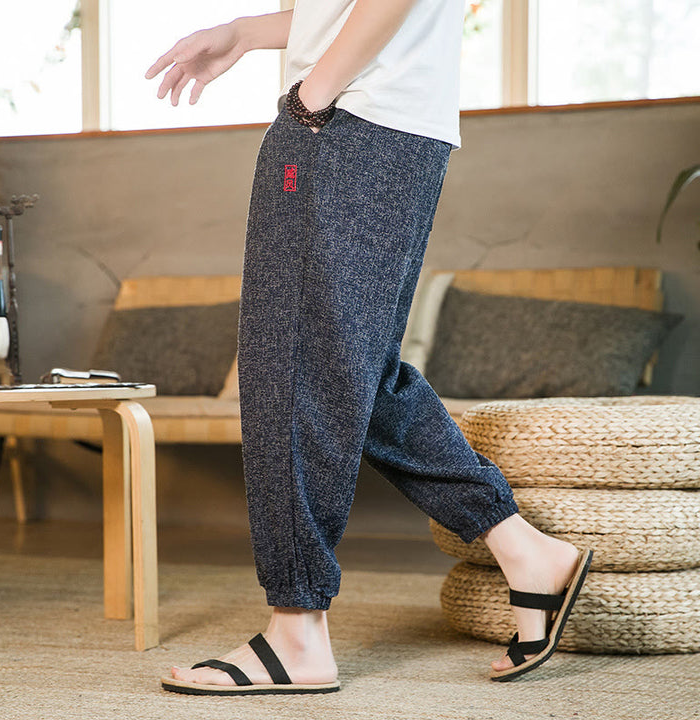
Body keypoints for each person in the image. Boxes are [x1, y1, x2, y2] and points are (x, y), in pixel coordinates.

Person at [146, 0, 592, 694]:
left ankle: (296, 630)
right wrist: (243, 33)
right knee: (353, 369)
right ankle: (525, 550)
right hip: (391, 124)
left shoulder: (327, 109)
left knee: (287, 369)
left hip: (349, 120)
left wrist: (310, 98)